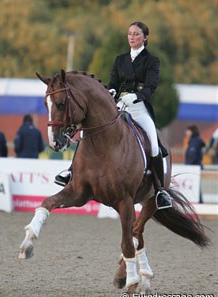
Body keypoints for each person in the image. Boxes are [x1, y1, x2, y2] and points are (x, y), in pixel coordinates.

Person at [55, 21, 172, 210]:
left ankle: (159, 191)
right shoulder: (120, 59)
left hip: (139, 106)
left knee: (154, 142)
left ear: (145, 38)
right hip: (117, 105)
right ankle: (70, 172)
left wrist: (136, 96)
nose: (132, 37)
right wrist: (110, 91)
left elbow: (151, 86)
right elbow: (113, 82)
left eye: (136, 34)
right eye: (130, 34)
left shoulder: (152, 61)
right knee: (86, 132)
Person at [184, 125, 205, 203]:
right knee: (196, 184)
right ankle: (200, 200)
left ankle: (199, 201)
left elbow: (192, 154)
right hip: (195, 166)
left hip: (193, 167)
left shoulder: (195, 141)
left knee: (195, 184)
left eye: (188, 130)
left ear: (192, 131)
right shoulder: (195, 140)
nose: (186, 132)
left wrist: (188, 166)